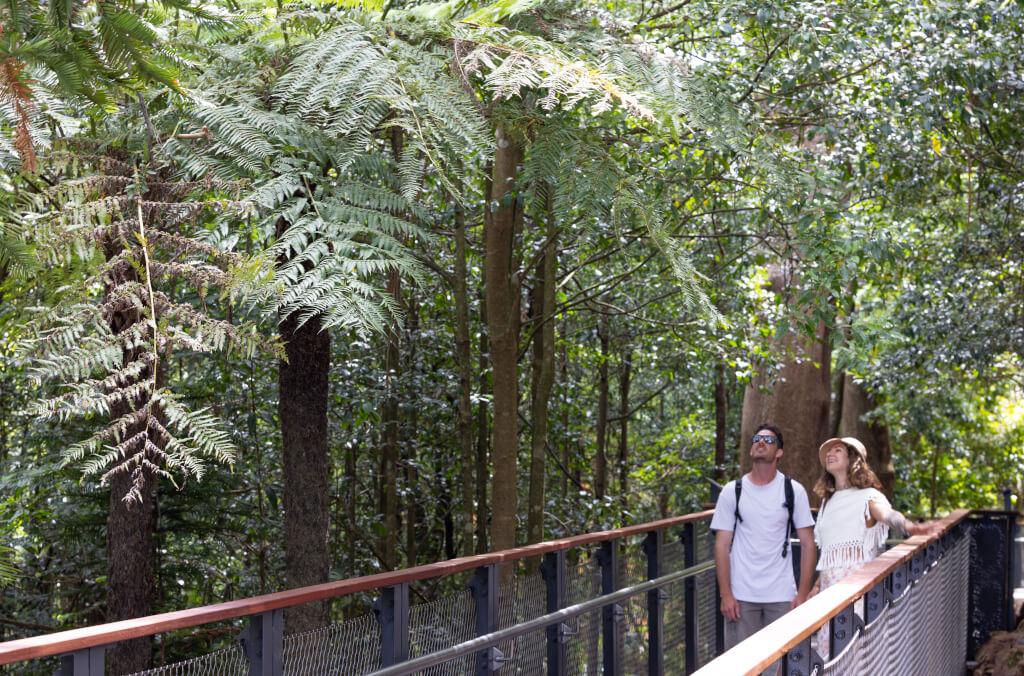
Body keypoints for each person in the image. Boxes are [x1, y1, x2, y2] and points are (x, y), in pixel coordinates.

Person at [812, 436, 938, 657]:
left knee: (857, 657)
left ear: (853, 458)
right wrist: (815, 587)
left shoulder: (868, 496)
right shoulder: (826, 503)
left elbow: (888, 514)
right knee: (829, 657)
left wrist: (908, 526)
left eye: (838, 450)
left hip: (858, 593)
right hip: (828, 595)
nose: (830, 454)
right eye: (828, 452)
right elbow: (829, 554)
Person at [711, 424, 817, 669]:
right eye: (756, 439)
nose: (760, 443)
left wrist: (802, 595)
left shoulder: (794, 491)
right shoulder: (732, 492)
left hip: (782, 596)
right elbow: (721, 545)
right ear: (750, 449)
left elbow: (808, 543)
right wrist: (726, 594)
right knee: (740, 666)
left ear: (779, 452)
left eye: (768, 441)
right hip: (740, 596)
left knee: (782, 665)